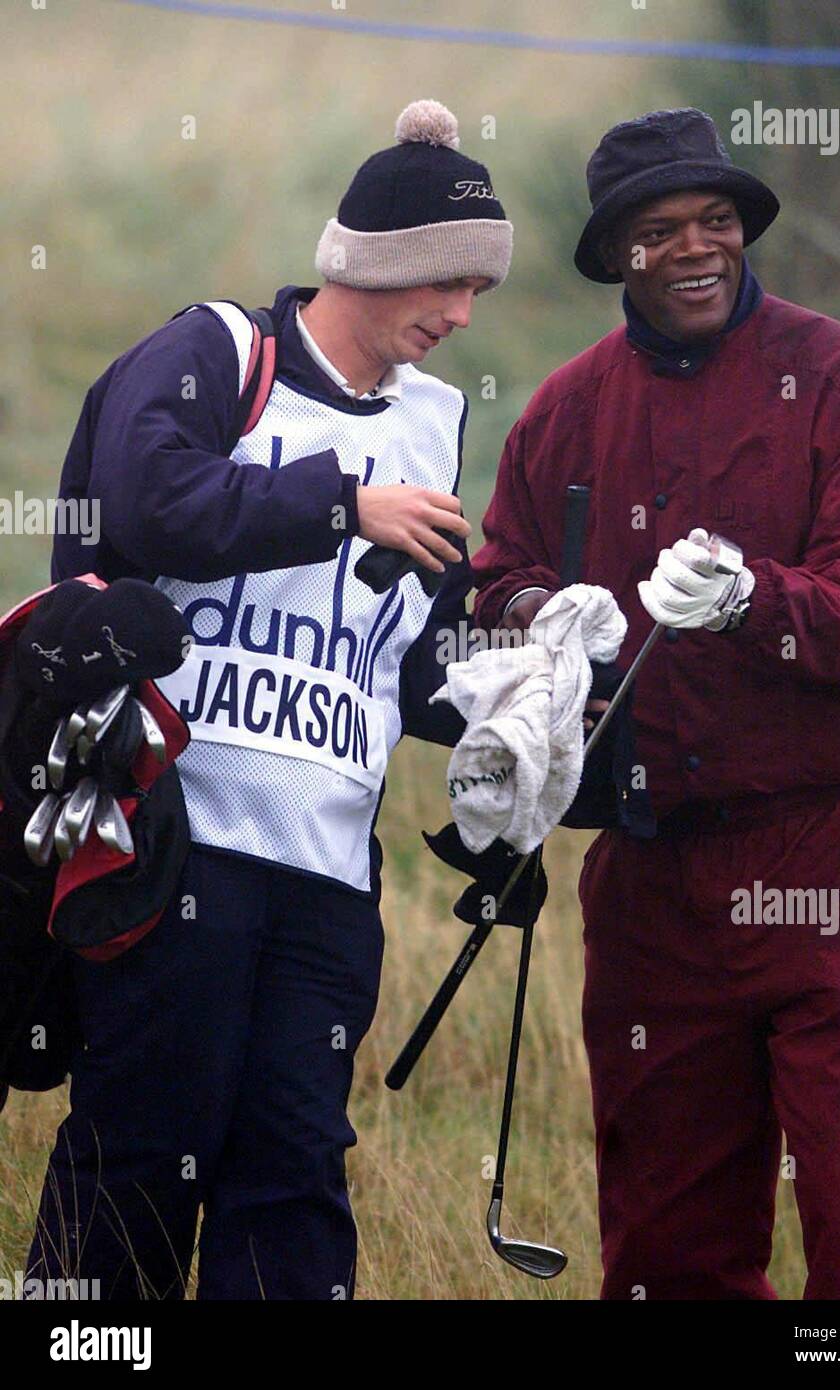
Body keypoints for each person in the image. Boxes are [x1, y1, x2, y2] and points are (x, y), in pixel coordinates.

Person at [27, 99, 512, 1300]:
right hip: (172, 846)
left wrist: (522, 714)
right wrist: (343, 502)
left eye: (476, 294)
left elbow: (405, 657)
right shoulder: (213, 353)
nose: (460, 317)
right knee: (136, 1155)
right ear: (376, 260)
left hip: (328, 881)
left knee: (292, 1171)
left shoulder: (436, 425)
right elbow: (140, 503)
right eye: (446, 282)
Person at [471, 107, 840, 1301]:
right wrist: (540, 615)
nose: (692, 248)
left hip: (831, 851)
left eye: (715, 221)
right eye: (659, 229)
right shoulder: (563, 412)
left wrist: (750, 599)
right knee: (667, 1245)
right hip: (651, 876)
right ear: (616, 255)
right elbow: (493, 582)